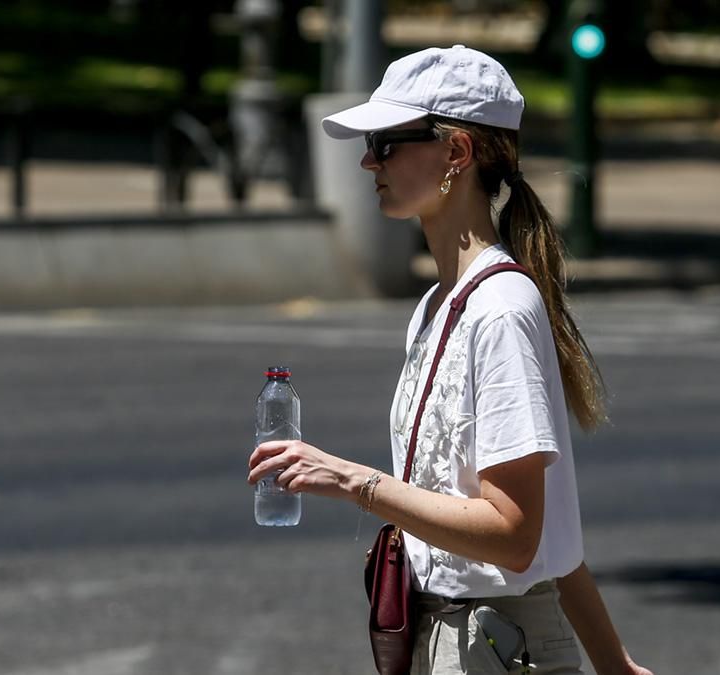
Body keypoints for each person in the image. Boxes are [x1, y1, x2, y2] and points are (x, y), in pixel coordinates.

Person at [247, 45, 652, 675]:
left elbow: (515, 534)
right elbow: (553, 538)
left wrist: (353, 481)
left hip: (495, 646)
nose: (366, 160)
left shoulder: (501, 310)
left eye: (386, 142)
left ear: (456, 154)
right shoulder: (441, 304)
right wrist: (615, 664)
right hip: (459, 639)